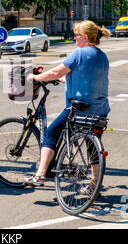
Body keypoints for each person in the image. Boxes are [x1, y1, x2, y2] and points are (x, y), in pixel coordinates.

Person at [24, 20, 111, 193]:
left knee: (51, 133)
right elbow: (87, 78)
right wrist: (65, 79)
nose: (74, 38)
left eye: (77, 35)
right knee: (92, 144)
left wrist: (36, 78)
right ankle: (95, 184)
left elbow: (56, 71)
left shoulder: (79, 53)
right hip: (100, 111)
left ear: (85, 38)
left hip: (80, 110)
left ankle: (40, 174)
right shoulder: (102, 56)